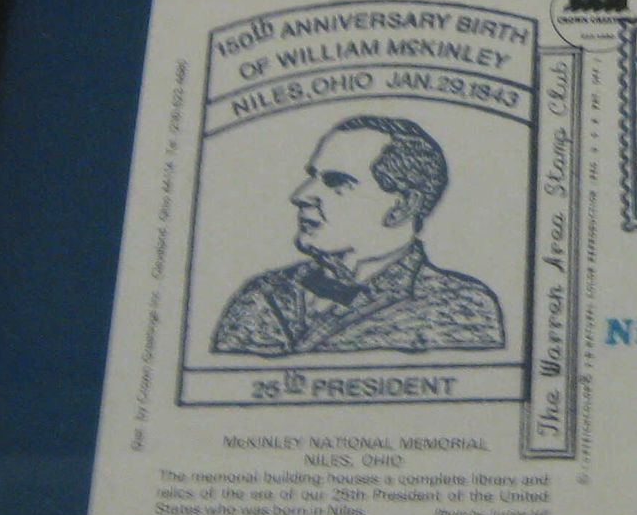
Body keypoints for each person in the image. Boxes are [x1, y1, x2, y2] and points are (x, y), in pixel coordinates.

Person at [212, 116, 506, 356]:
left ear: (403, 205)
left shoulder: (457, 307)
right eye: (313, 177)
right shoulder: (262, 296)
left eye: (336, 182)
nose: (301, 195)